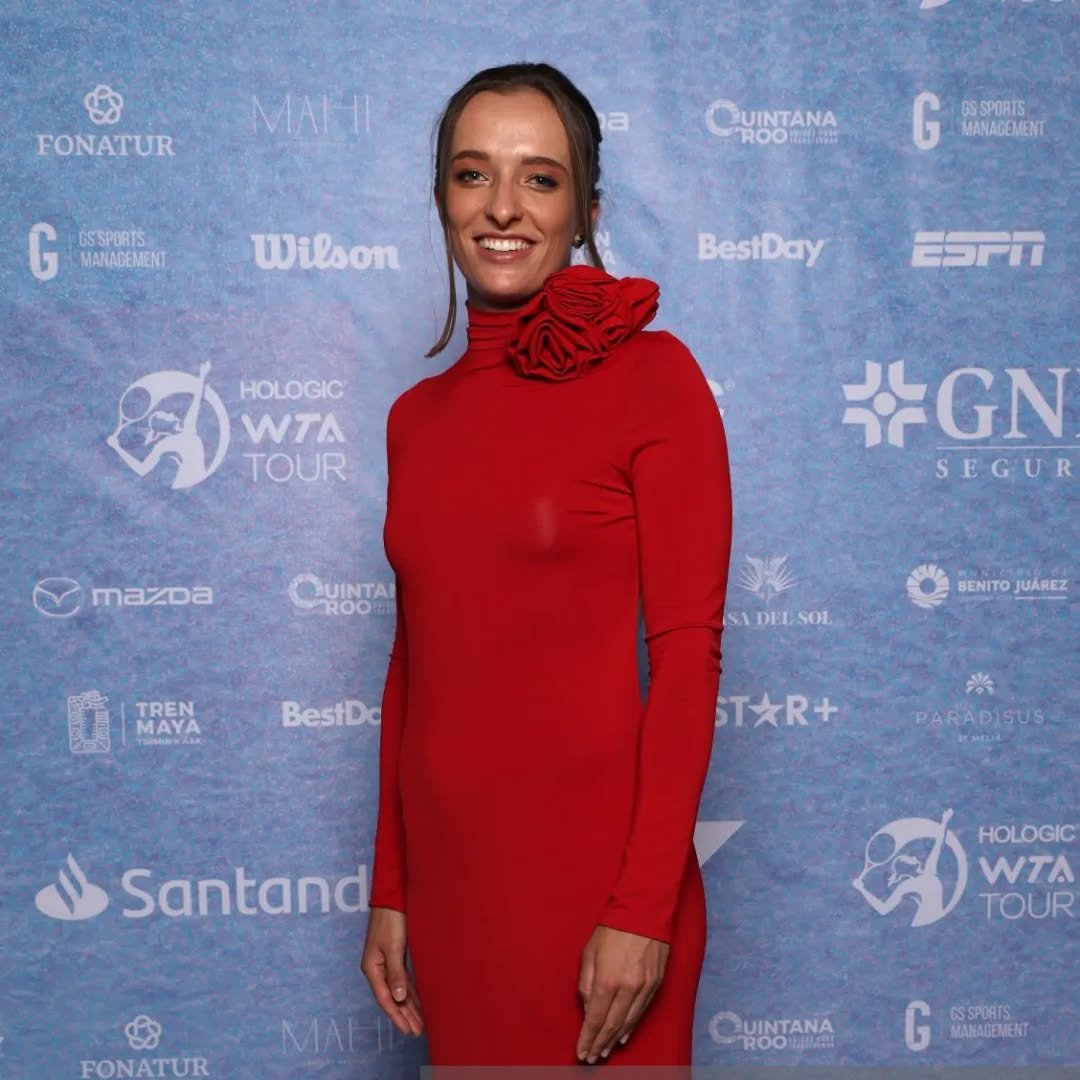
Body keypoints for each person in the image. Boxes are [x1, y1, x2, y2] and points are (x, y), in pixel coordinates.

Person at [361, 61, 732, 1068]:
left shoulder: (654, 378)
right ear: (441, 198)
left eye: (540, 177)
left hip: (601, 896)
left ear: (585, 211)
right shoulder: (413, 420)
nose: (502, 207)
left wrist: (643, 910)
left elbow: (688, 656)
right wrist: (392, 889)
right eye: (472, 173)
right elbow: (414, 667)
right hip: (453, 894)